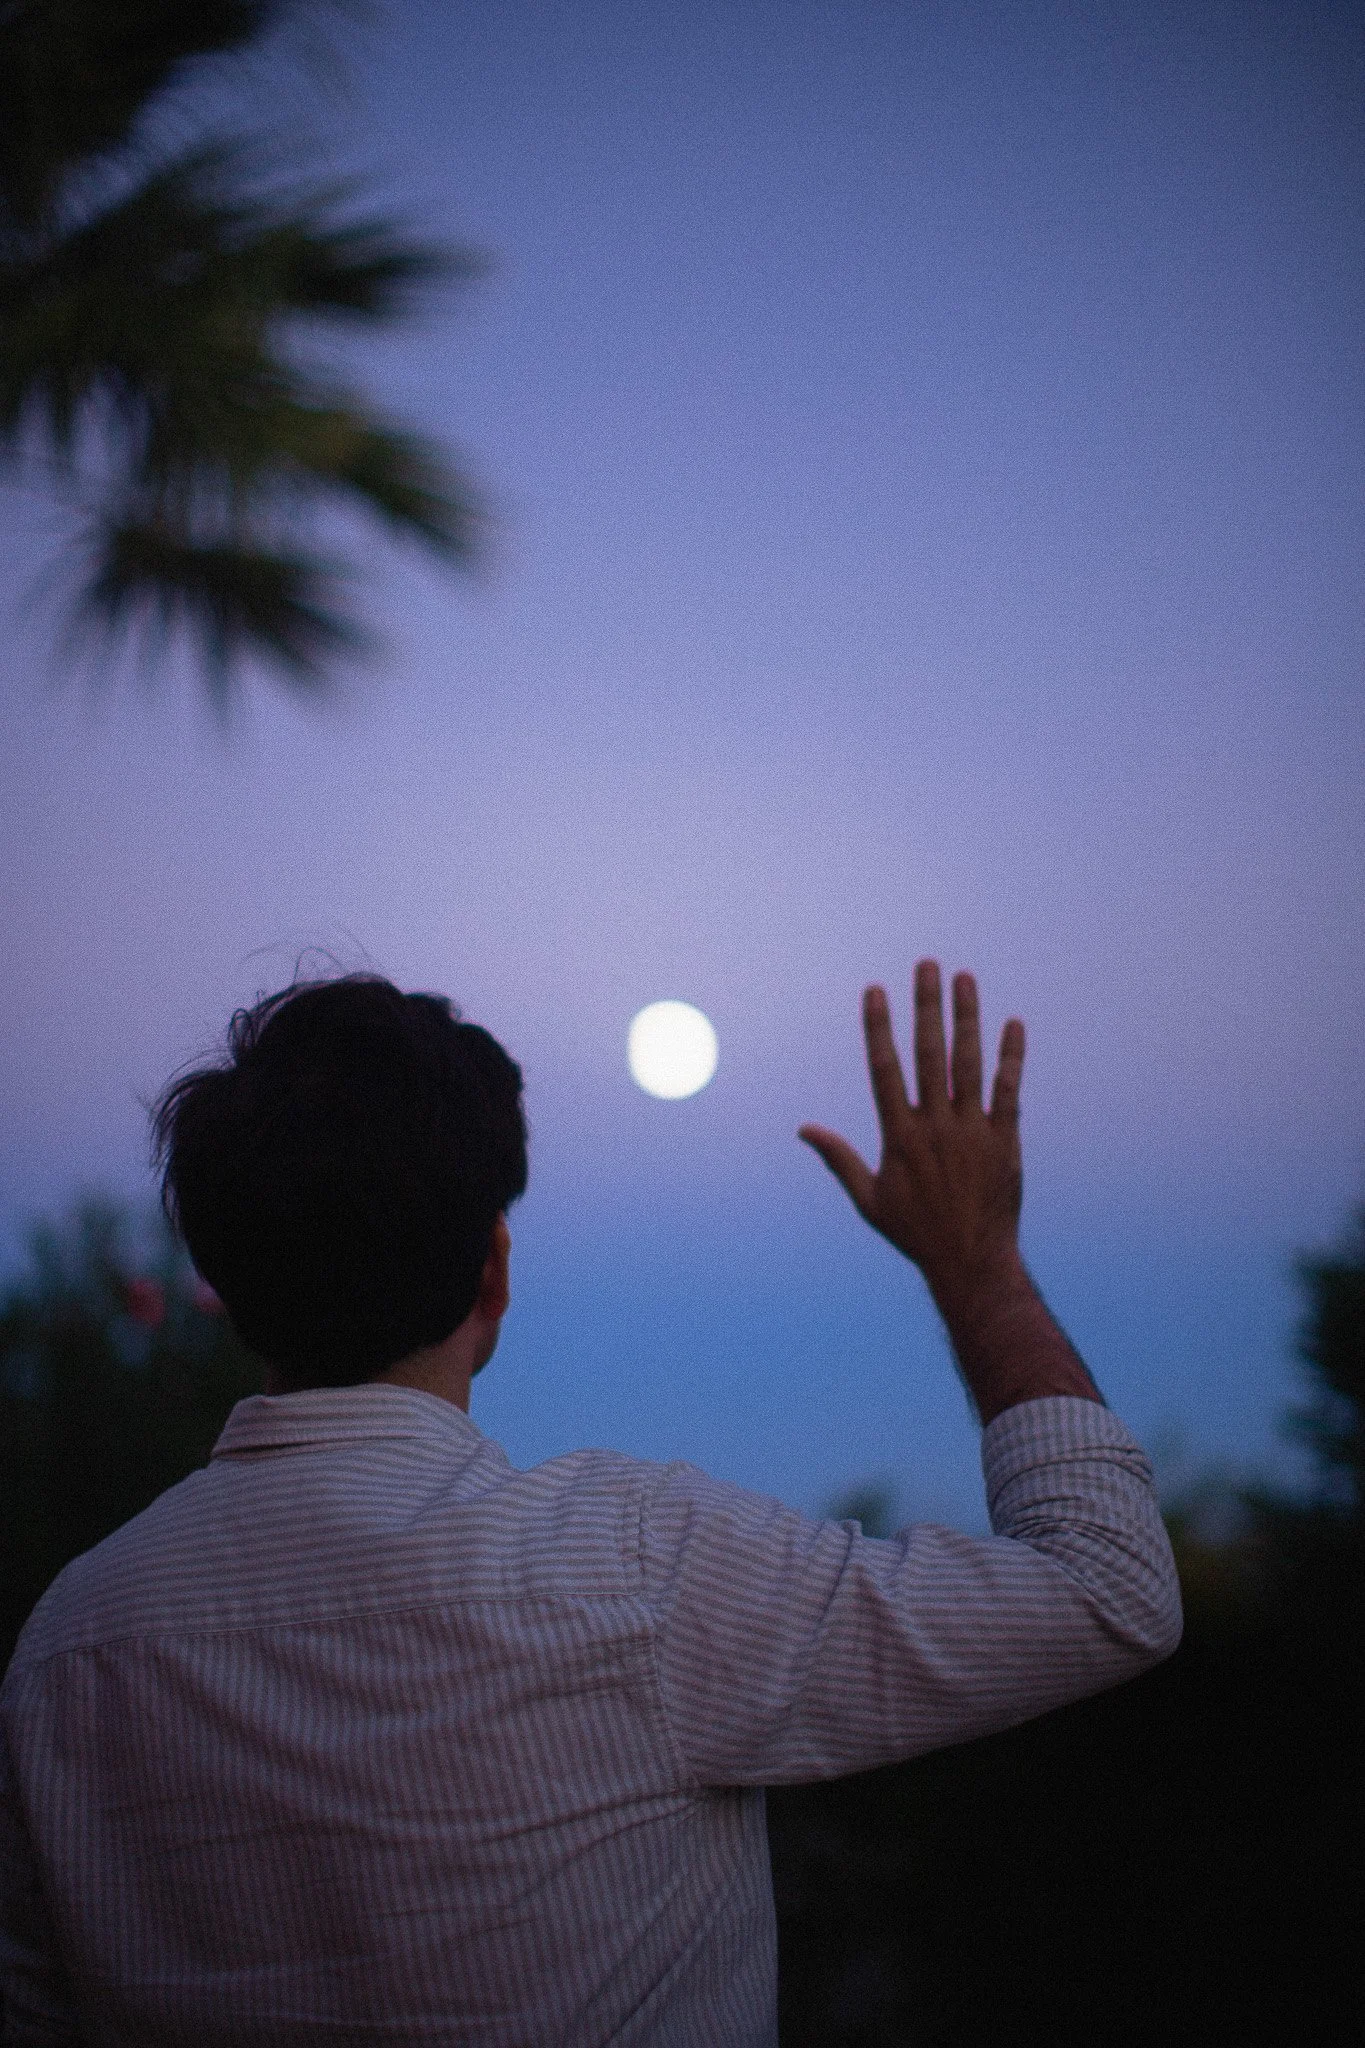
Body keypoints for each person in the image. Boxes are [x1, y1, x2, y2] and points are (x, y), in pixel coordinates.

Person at [0, 962, 1181, 2047]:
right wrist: (977, 1263)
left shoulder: (68, 1645)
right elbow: (1112, 1589)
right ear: (494, 1273)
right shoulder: (639, 1569)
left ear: (225, 1276)